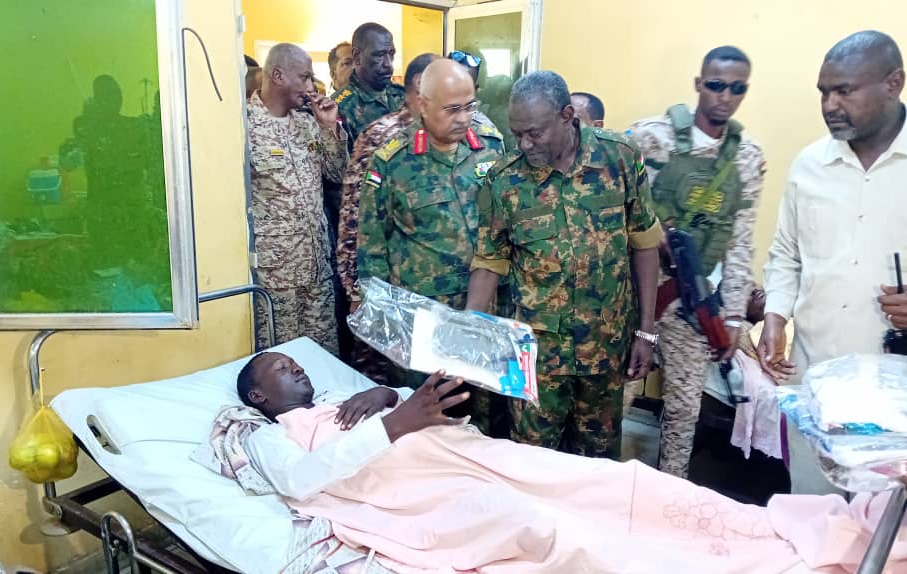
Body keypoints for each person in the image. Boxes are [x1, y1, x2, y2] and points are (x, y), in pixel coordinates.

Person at [231, 351, 902, 573]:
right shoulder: (270, 436)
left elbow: (424, 415)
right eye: (282, 369)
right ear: (260, 396)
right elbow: (303, 482)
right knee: (533, 523)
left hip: (474, 456)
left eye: (295, 362)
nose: (297, 370)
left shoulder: (348, 399)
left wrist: (387, 395)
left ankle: (753, 536)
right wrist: (395, 423)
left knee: (612, 478)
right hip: (422, 491)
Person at [466, 71, 662, 459]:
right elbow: (489, 262)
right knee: (532, 461)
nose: (525, 144)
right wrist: (467, 331)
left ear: (567, 116)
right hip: (536, 357)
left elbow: (644, 244)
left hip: (604, 348)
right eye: (517, 133)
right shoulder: (504, 180)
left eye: (534, 133)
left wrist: (645, 333)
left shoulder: (619, 158)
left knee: (599, 461)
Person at [760, 30, 907, 494]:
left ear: (894, 83)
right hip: (816, 378)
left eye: (844, 91)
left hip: (896, 390)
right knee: (814, 515)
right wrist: (775, 316)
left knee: (886, 526)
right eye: (824, 92)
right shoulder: (809, 165)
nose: (829, 105)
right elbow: (787, 253)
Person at [628, 45, 765, 479]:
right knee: (617, 399)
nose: (725, 96)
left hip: (691, 301)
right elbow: (616, 203)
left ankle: (670, 494)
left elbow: (740, 244)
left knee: (684, 411)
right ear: (699, 84)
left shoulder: (747, 158)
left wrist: (734, 318)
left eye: (737, 88)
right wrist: (655, 236)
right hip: (635, 291)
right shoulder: (652, 137)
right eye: (716, 85)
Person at [357, 59, 504, 396]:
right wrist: (386, 320)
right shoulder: (393, 161)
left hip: (486, 309)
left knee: (486, 407)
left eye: (470, 106)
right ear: (423, 105)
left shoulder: (490, 147)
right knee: (428, 407)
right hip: (424, 319)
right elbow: (371, 245)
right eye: (452, 109)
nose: (464, 118)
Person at [336, 53, 439, 384]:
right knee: (381, 376)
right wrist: (356, 291)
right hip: (389, 283)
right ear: (420, 88)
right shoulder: (381, 135)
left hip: (440, 290)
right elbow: (354, 216)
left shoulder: (460, 135)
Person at [247, 43, 348, 355]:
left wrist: (329, 127)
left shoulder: (307, 123)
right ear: (278, 76)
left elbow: (337, 174)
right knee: (281, 362)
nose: (310, 87)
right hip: (276, 279)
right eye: (304, 77)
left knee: (323, 359)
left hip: (317, 270)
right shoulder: (244, 126)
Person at [334, 23, 405, 149]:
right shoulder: (340, 107)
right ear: (357, 56)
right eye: (379, 55)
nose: (388, 64)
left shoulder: (404, 95)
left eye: (391, 54)